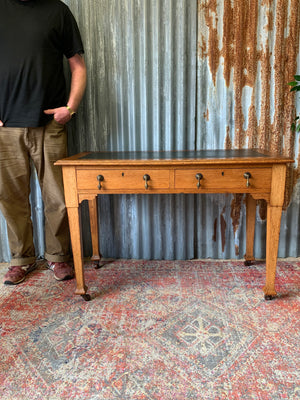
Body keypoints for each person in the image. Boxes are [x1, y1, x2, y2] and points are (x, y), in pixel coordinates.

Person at [0, 0, 87, 284]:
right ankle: (20, 259)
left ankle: (58, 257)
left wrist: (70, 108)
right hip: (6, 127)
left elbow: (78, 66)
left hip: (49, 124)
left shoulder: (57, 11)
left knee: (58, 198)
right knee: (11, 198)